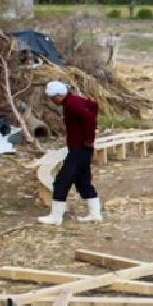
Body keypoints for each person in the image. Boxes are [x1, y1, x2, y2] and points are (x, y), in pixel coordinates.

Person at [39, 80, 103, 225]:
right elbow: (93, 106)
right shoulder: (74, 100)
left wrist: (89, 138)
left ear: (58, 95)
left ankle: (56, 217)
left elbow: (89, 117)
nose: (51, 101)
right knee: (83, 181)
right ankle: (95, 214)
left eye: (52, 97)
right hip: (82, 148)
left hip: (79, 148)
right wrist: (93, 130)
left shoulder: (71, 104)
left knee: (61, 181)